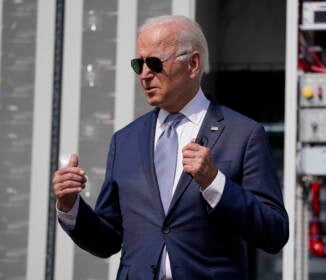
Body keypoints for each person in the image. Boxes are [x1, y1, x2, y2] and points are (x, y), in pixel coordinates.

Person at [53, 15, 289, 280]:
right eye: (138, 64)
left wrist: (215, 183)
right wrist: (70, 205)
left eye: (154, 63)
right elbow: (107, 239)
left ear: (193, 64)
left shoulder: (244, 134)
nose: (144, 74)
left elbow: (274, 233)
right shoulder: (125, 140)